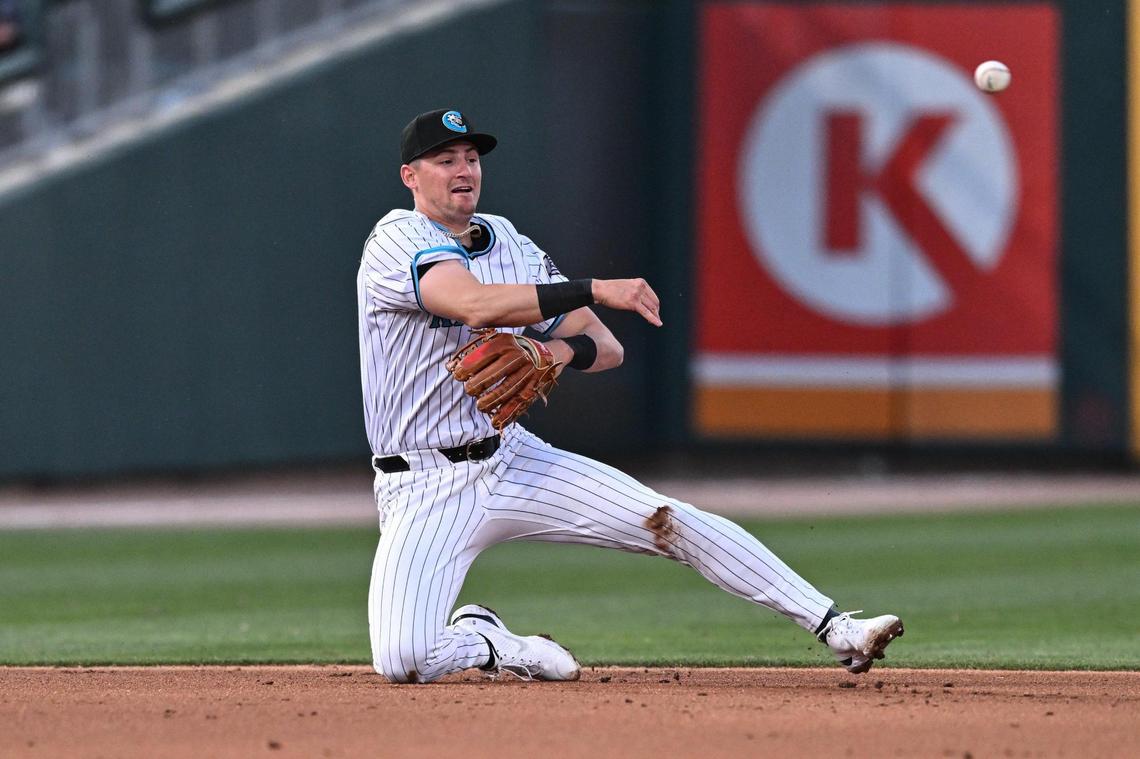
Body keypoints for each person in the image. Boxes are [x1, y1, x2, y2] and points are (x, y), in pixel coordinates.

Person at [356, 108, 903, 684]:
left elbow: (604, 344)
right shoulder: (397, 239)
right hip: (420, 485)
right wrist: (594, 286)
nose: (463, 169)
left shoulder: (508, 241)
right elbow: (469, 302)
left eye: (471, 158)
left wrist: (557, 354)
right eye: (445, 160)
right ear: (410, 176)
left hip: (510, 459)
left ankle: (836, 626)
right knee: (405, 660)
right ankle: (488, 641)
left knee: (668, 519)